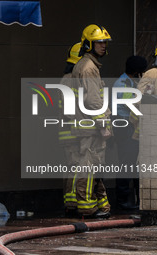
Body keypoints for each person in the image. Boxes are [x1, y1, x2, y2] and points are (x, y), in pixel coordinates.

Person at [71, 24, 112, 218]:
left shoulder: (88, 65)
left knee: (92, 166)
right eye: (99, 43)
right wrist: (103, 124)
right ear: (89, 44)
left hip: (88, 126)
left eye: (105, 42)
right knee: (88, 166)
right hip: (91, 128)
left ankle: (95, 205)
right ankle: (87, 207)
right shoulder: (88, 68)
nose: (103, 46)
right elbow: (93, 101)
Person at [112, 56, 147, 210]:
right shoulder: (123, 84)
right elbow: (130, 104)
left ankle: (132, 200)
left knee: (132, 163)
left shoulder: (130, 82)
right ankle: (123, 201)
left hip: (129, 127)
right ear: (137, 71)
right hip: (125, 127)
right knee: (126, 164)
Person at [60, 42, 82, 217]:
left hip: (75, 131)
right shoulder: (69, 80)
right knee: (74, 167)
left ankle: (72, 203)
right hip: (72, 133)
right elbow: (69, 110)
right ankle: (71, 204)